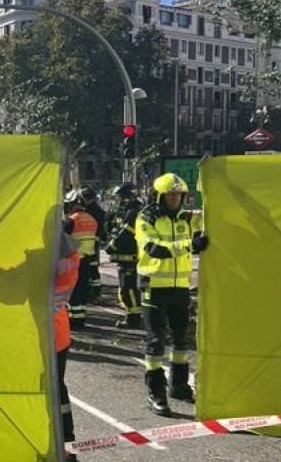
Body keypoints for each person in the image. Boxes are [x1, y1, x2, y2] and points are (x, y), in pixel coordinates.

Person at [0, 225, 83, 461]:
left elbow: (6, 288)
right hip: (60, 334)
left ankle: (56, 449)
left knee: (51, 393)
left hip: (42, 337)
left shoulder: (40, 263)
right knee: (58, 392)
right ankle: (66, 448)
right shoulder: (71, 257)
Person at [135, 172, 208, 416]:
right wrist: (189, 246)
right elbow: (154, 248)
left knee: (181, 338)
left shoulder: (187, 219)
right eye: (171, 194)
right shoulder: (146, 218)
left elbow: (212, 216)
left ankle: (179, 386)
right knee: (156, 341)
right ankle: (155, 391)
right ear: (159, 196)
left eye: (179, 194)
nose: (175, 198)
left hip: (180, 287)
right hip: (154, 287)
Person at [105, 183, 144, 330]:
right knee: (125, 288)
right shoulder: (127, 211)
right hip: (124, 258)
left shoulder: (133, 212)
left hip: (130, 257)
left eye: (121, 196)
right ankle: (131, 315)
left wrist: (112, 246)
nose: (119, 200)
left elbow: (126, 234)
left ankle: (134, 318)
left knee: (130, 288)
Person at [62, 189, 100, 332]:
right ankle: (80, 319)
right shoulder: (91, 219)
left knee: (73, 291)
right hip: (87, 260)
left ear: (73, 204)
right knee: (82, 290)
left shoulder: (72, 220)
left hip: (73, 259)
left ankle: (74, 320)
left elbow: (63, 238)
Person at [77, 186, 107, 300]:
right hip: (93, 241)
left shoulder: (92, 211)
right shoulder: (96, 209)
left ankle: (94, 292)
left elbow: (98, 228)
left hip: (91, 242)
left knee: (92, 267)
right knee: (92, 267)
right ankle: (95, 291)